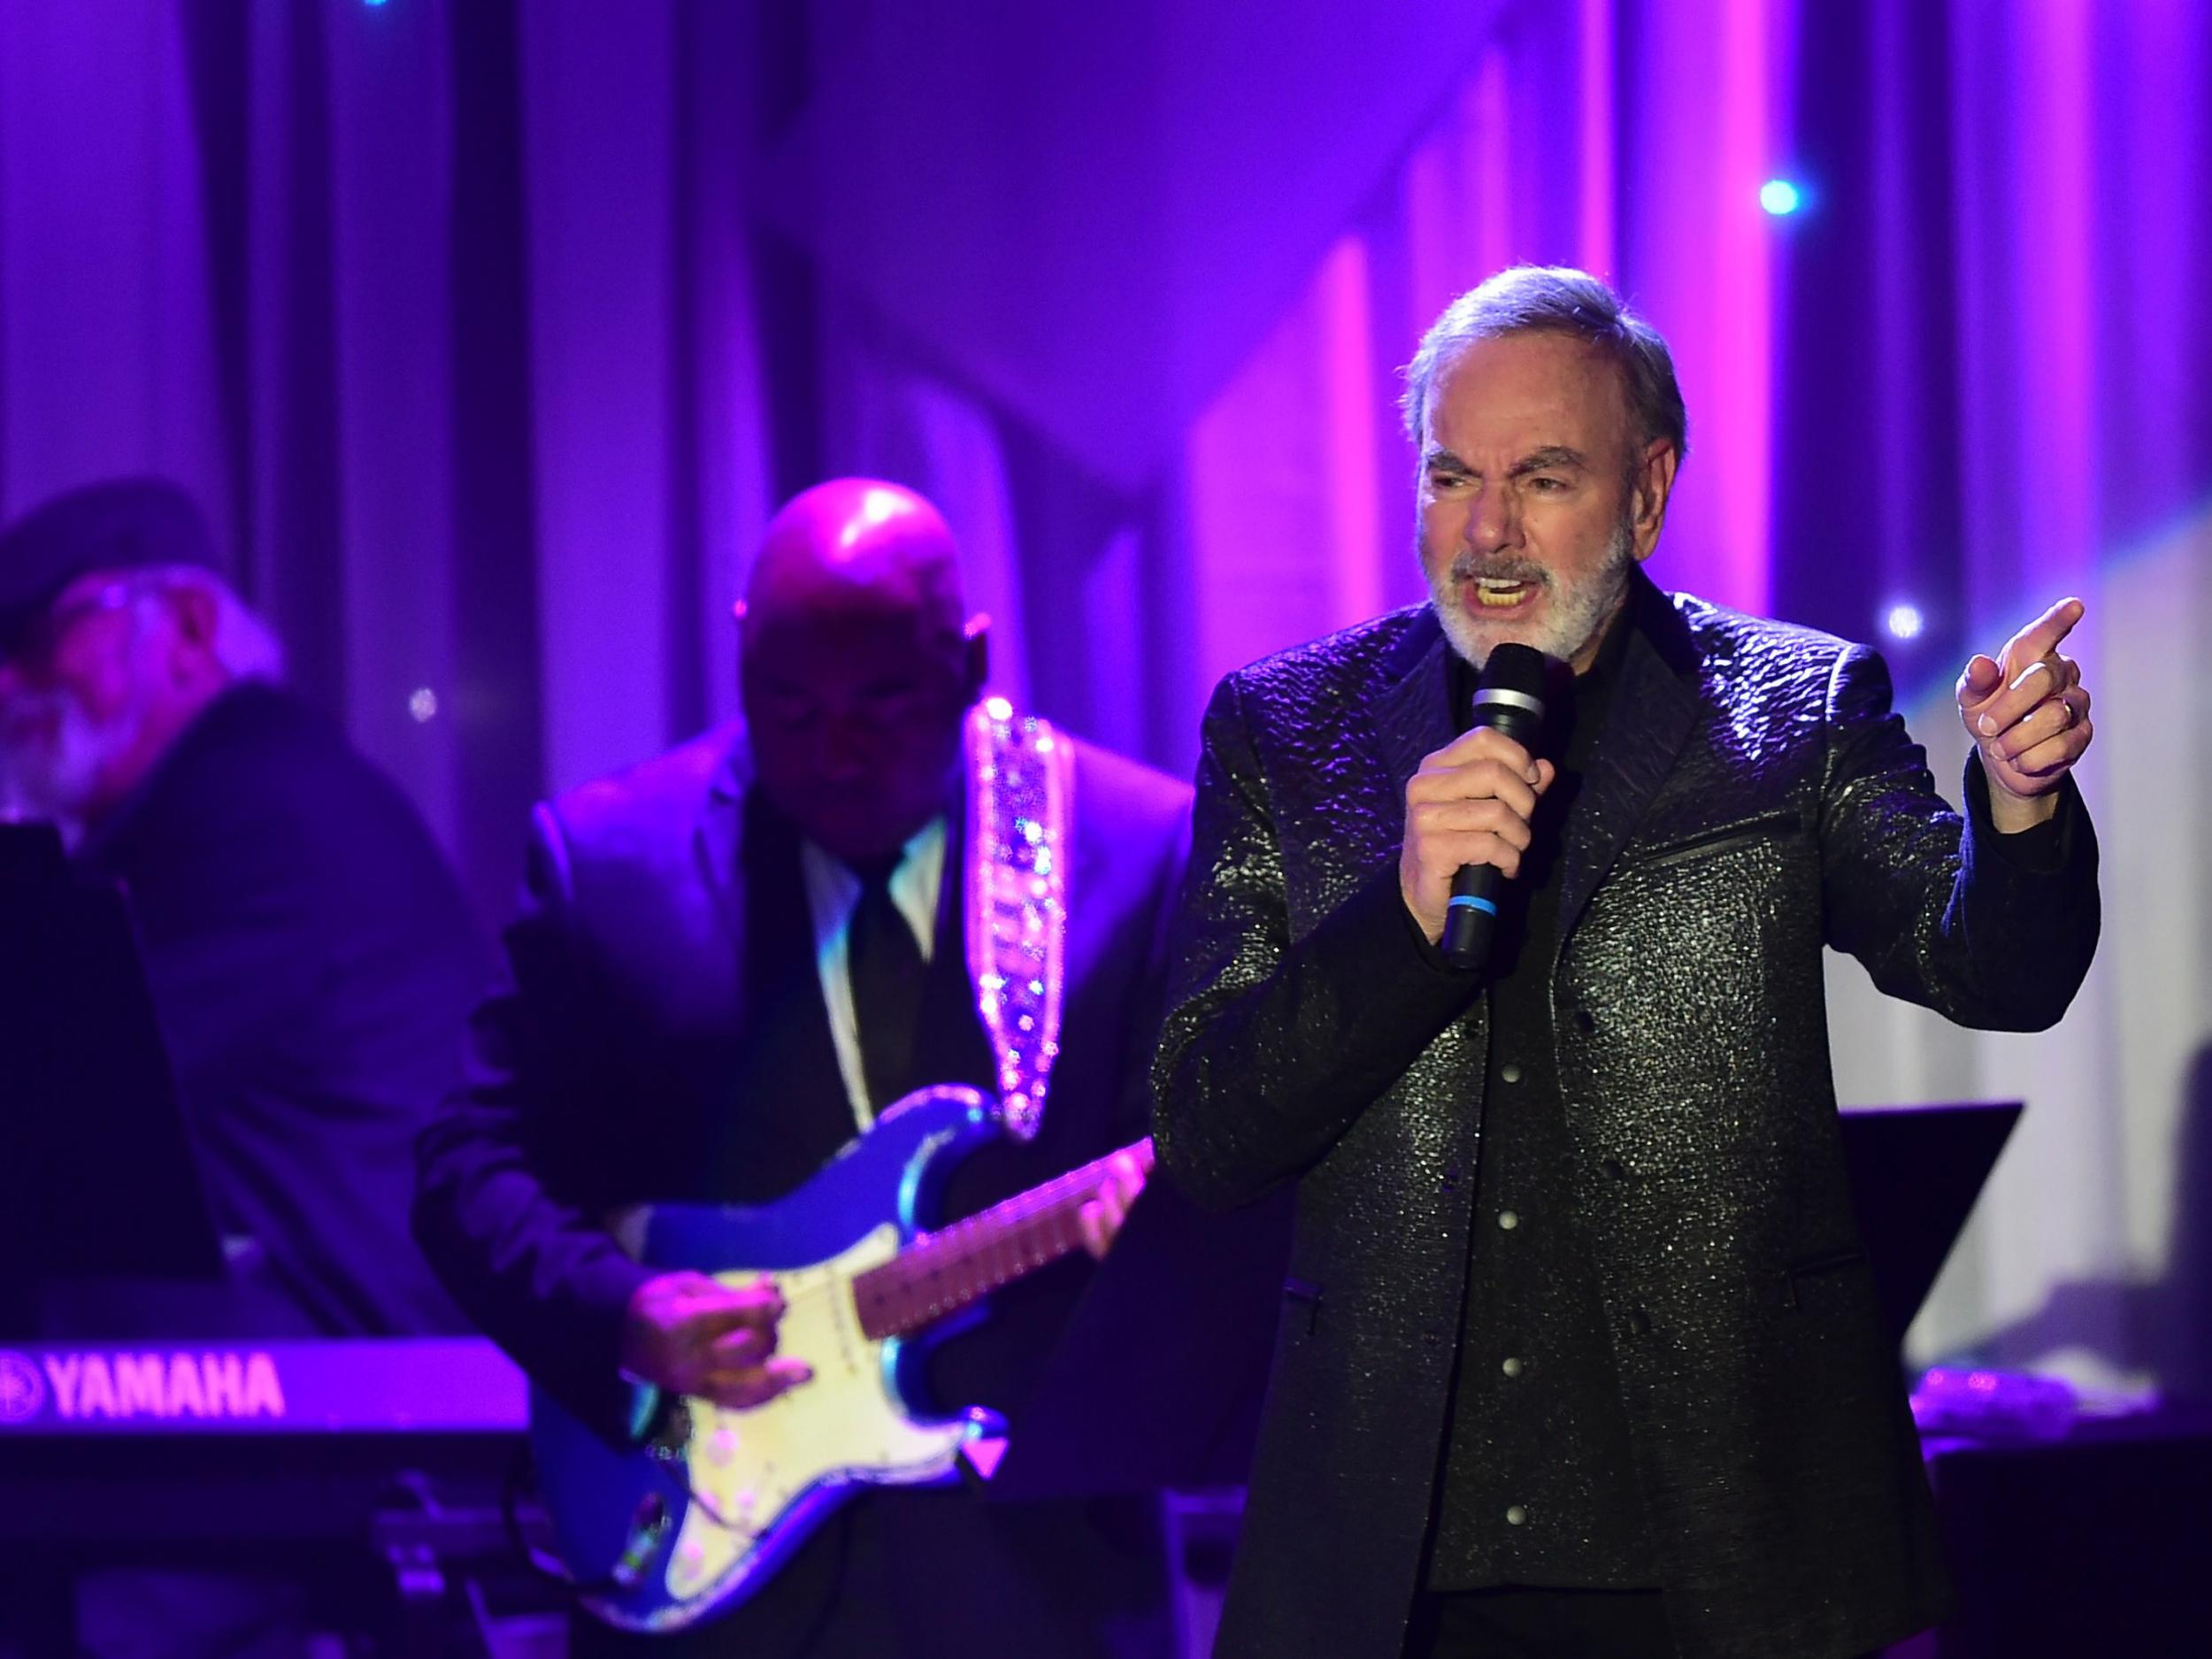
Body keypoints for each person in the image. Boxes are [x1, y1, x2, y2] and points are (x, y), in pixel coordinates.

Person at [1150, 266, 2099, 1659]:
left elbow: (1993, 973)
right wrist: (1400, 922)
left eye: (1541, 478)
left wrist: (2017, 808)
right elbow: (1204, 1129)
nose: (1486, 532)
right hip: (1394, 1561)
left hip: (1725, 1547)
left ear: (1647, 494)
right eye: (1450, 475)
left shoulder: (1791, 710)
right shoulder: (1292, 733)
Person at [413, 479, 1190, 1657]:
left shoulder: (1136, 848)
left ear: (971, 662)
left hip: (1041, 1590)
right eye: (786, 704)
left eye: (884, 703)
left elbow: (1226, 1188)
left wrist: (1178, 1226)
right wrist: (616, 1313)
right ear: (736, 655)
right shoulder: (611, 865)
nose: (834, 749)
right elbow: (463, 1166)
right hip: (713, 1587)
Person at [0, 477, 487, 1658]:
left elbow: (58, 1111)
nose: (11, 685)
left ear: (189, 631)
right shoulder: (217, 809)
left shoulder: (255, 809)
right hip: (266, 1411)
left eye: (44, 635)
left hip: (319, 1415)